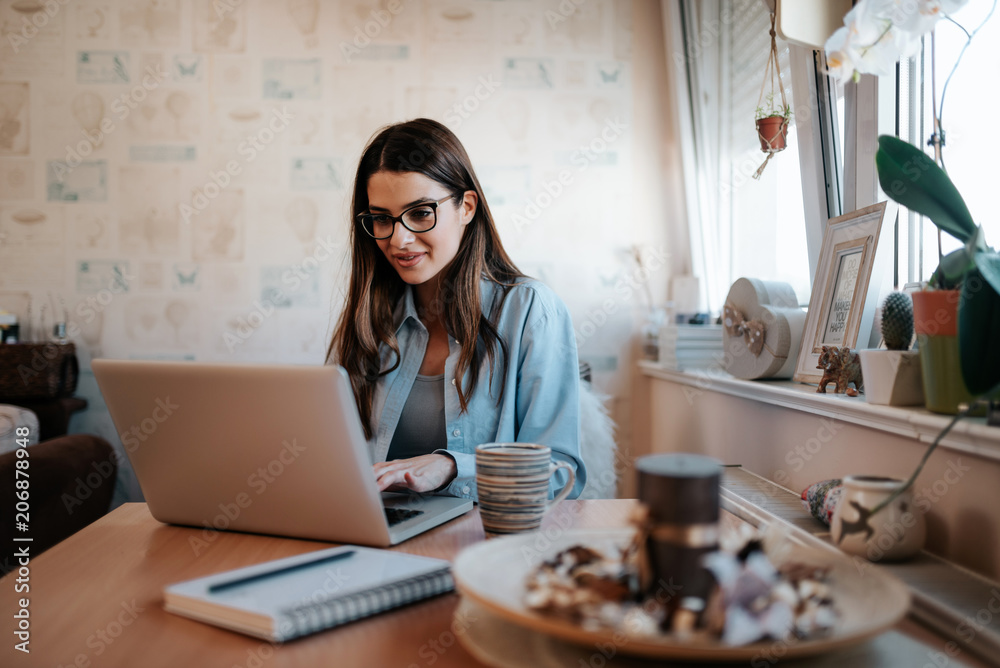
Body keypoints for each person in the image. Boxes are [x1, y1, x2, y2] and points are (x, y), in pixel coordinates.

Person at [326, 118, 586, 501]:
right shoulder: (369, 319)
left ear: (466, 207)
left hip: (484, 548)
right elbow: (333, 459)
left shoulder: (530, 311)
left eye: (420, 213)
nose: (399, 239)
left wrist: (453, 467)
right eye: (381, 218)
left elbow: (559, 476)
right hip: (379, 541)